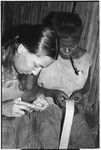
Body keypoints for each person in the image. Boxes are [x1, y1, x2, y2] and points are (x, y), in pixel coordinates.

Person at [2, 24, 69, 149]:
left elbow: (23, 91)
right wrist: (2, 109)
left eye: (41, 68)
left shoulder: (24, 68)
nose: (36, 72)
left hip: (19, 122)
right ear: (21, 49)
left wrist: (38, 96)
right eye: (36, 65)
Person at [38, 12, 95, 148]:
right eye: (62, 45)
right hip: (45, 109)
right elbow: (28, 88)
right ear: (54, 39)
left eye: (73, 45)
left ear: (79, 40)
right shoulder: (42, 55)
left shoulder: (86, 58)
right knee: (49, 144)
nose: (68, 50)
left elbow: (86, 85)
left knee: (87, 145)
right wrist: (51, 93)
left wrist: (80, 92)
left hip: (73, 110)